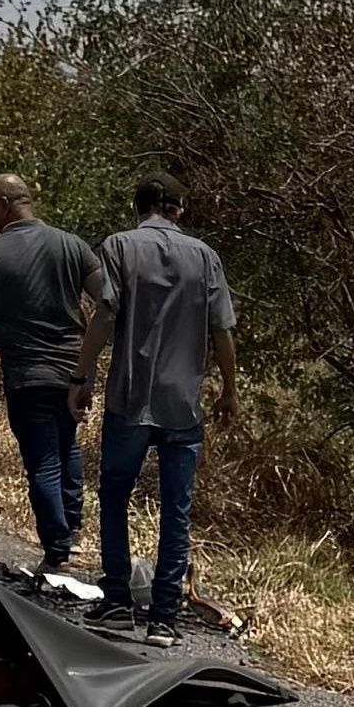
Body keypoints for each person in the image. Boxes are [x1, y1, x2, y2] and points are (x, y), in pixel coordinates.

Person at [69, 173, 238, 649]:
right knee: (176, 510)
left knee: (115, 496)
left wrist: (82, 376)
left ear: (137, 206)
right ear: (179, 210)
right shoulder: (205, 257)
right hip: (182, 404)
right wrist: (229, 388)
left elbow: (105, 313)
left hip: (129, 397)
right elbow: (221, 329)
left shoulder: (119, 247)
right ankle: (164, 616)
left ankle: (118, 601)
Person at [0, 173, 105, 577]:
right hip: (73, 370)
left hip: (26, 373)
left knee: (42, 461)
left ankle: (56, 549)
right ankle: (72, 529)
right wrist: (87, 353)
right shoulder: (72, 246)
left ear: (6, 205)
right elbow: (109, 302)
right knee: (66, 444)